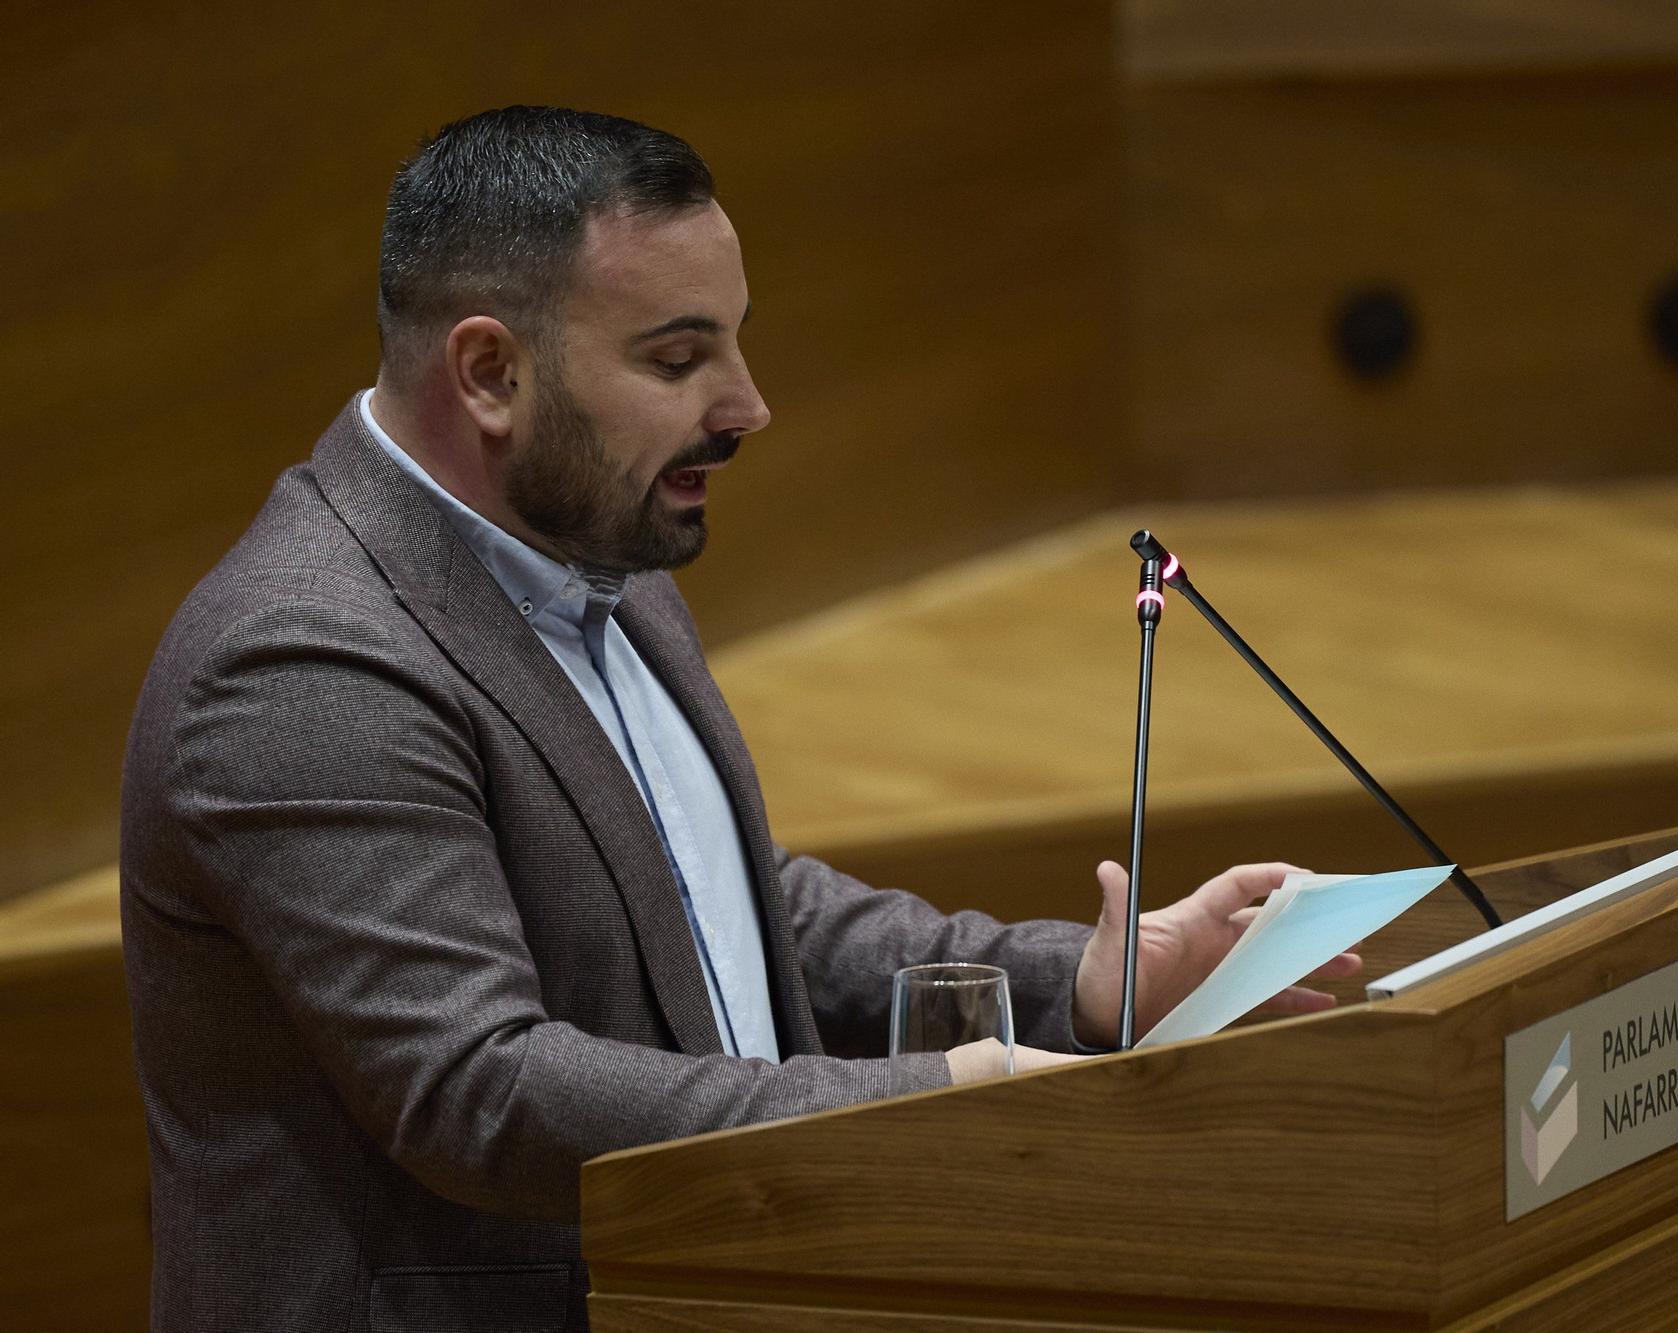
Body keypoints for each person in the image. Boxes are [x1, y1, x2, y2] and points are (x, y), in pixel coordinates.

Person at [119, 106, 1360, 1332]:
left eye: (736, 345)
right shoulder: (304, 660)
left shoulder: (606, 556)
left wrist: (1081, 985)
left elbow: (722, 910)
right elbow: (478, 1090)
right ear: (491, 372)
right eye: (676, 360)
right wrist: (930, 1098)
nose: (746, 405)